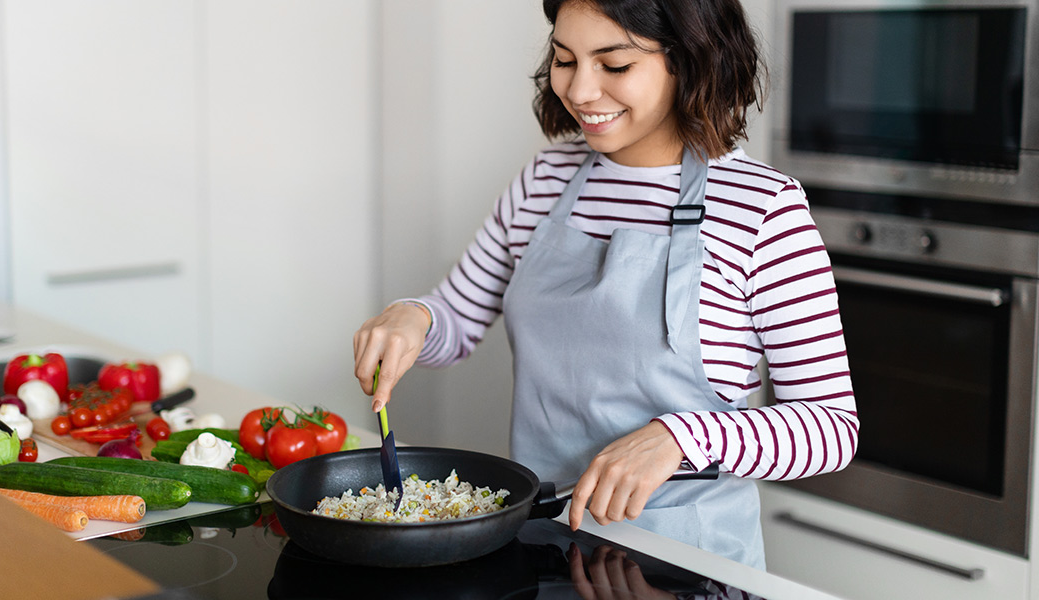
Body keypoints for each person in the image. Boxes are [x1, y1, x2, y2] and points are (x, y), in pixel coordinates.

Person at [353, 0, 858, 569]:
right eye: (565, 60)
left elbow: (831, 428)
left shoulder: (761, 208)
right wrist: (414, 317)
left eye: (613, 65)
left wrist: (682, 438)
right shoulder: (546, 179)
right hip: (542, 545)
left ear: (691, 61)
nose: (581, 90)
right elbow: (458, 319)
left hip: (687, 560)